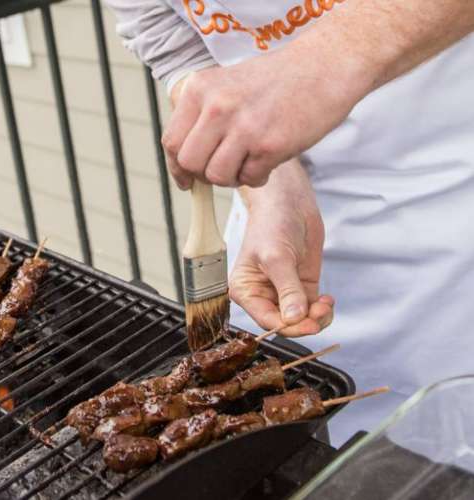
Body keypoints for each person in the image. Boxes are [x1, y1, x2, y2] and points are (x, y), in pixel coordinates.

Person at [104, 0, 474, 444]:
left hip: (455, 195)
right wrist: (270, 186)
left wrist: (322, 61)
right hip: (277, 232)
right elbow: (169, 38)